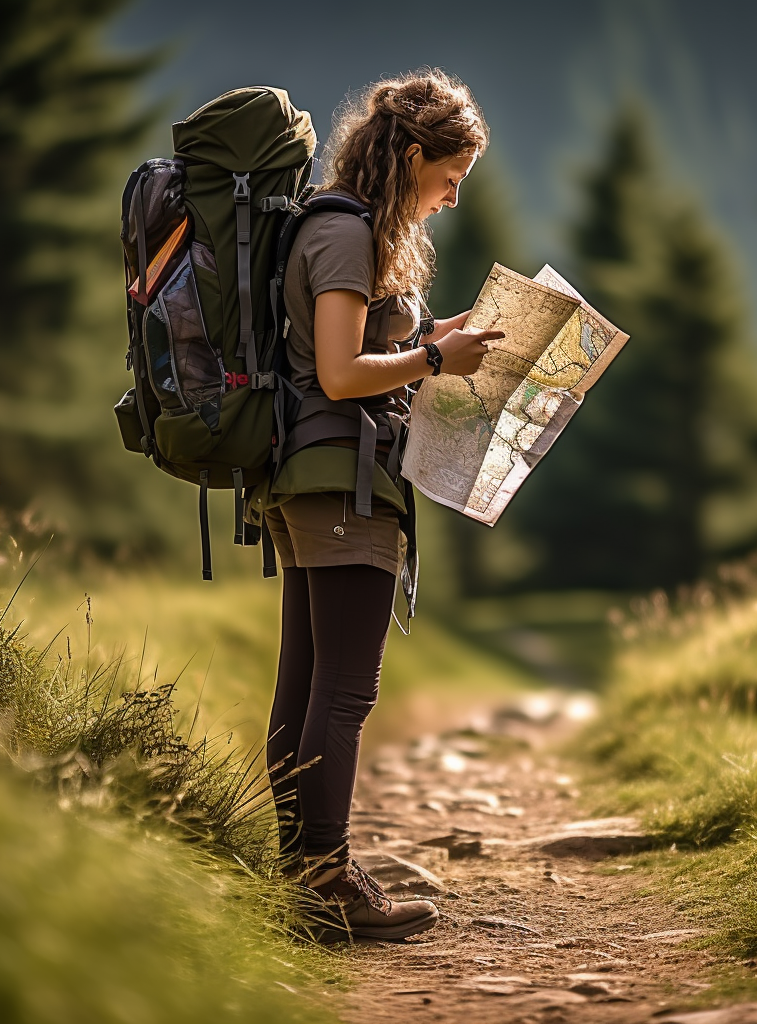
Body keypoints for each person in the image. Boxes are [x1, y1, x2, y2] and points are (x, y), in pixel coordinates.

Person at [263, 70, 504, 941]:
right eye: (448, 180)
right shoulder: (345, 235)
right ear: (411, 157)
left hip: (319, 475)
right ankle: (325, 883)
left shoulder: (347, 229)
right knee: (344, 689)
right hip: (337, 478)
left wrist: (435, 339)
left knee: (306, 683)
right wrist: (434, 365)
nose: (449, 200)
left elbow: (362, 346)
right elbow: (336, 373)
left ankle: (303, 876)